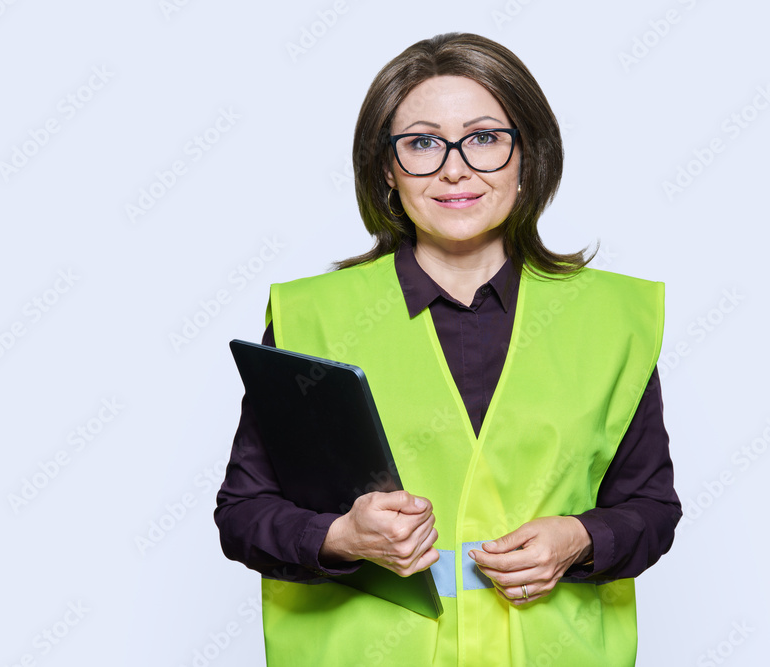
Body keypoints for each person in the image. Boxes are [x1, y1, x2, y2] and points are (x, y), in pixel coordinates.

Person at [214, 32, 681, 666]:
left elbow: (651, 509)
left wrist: (579, 537)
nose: (454, 168)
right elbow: (244, 513)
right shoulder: (313, 317)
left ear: (528, 157)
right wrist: (342, 537)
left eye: (485, 138)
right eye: (423, 143)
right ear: (387, 168)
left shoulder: (611, 318)